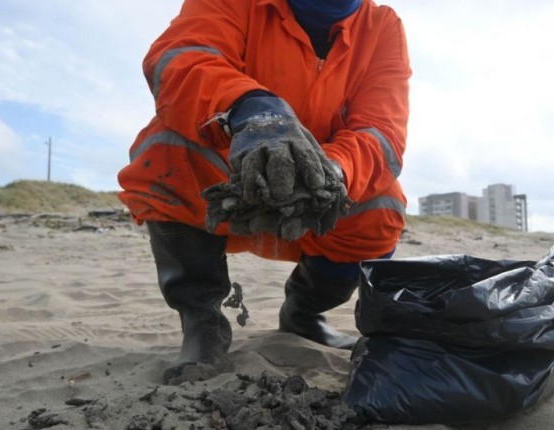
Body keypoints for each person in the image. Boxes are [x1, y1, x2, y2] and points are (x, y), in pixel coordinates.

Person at [117, 0, 410, 382]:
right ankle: (202, 324)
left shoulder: (382, 26)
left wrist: (331, 171)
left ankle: (304, 313)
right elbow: (181, 57)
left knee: (381, 206)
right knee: (167, 152)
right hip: (229, 163)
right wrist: (250, 107)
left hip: (318, 180)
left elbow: (381, 130)